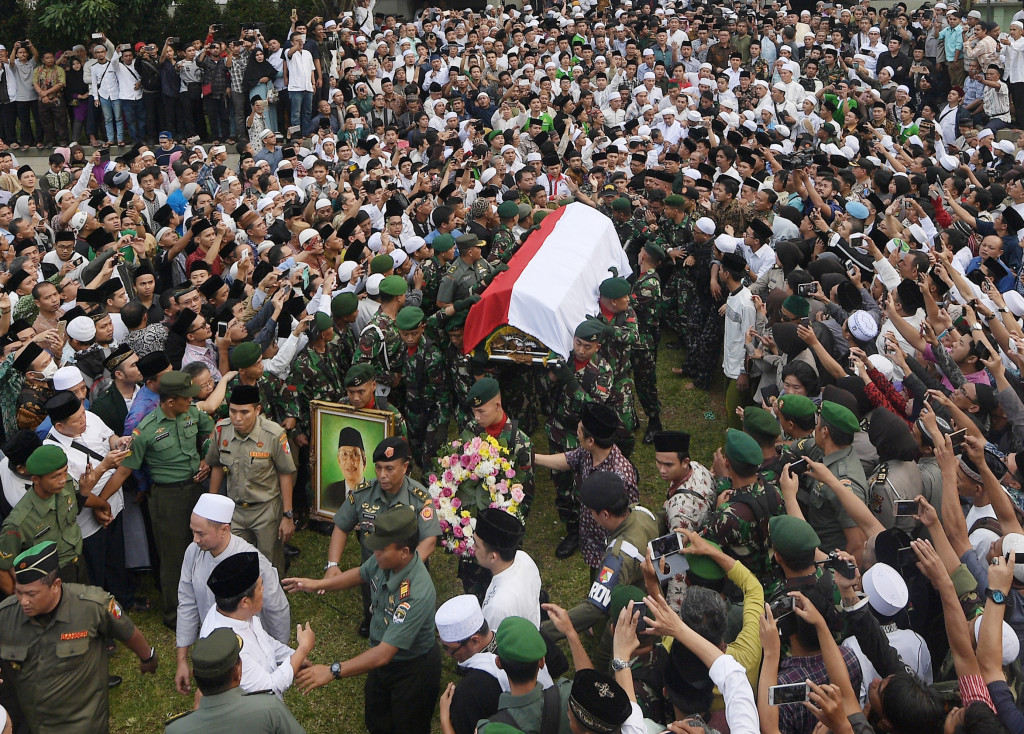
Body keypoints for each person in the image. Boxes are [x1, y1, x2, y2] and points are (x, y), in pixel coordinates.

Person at [282, 504, 442, 734]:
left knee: (408, 725)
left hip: (411, 670)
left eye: (382, 549)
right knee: (377, 720)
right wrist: (318, 583)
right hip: (380, 661)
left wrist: (332, 670)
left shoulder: (416, 594)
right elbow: (360, 573)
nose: (375, 552)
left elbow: (385, 653)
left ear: (405, 552)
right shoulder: (385, 559)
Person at [0, 541, 158, 734]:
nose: (23, 601)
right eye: (19, 592)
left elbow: (127, 631)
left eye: (31, 594)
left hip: (83, 724)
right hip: (35, 724)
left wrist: (147, 658)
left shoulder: (92, 606)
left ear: (56, 585)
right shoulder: (6, 614)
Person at [102, 370, 215, 628]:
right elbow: (124, 470)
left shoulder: (193, 413)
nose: (191, 400)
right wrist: (100, 501)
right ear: (170, 401)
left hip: (195, 491)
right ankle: (175, 615)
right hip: (167, 498)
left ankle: (205, 603)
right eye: (185, 398)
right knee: (173, 558)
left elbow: (210, 433)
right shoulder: (147, 430)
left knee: (203, 549)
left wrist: (205, 458)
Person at [174, 493, 291, 696]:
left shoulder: (251, 561)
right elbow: (187, 603)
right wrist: (182, 660)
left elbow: (277, 609)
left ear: (224, 530)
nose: (195, 539)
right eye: (193, 532)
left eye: (201, 534)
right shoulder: (193, 552)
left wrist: (279, 661)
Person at [322, 436, 440, 637]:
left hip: (409, 569)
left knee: (407, 617)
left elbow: (429, 539)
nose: (382, 475)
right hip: (373, 568)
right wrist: (333, 565)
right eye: (378, 468)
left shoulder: (419, 497)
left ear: (404, 467)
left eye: (389, 469)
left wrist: (408, 568)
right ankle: (372, 620)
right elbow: (341, 527)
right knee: (374, 605)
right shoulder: (362, 493)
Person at [206, 384, 297, 576]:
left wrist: (287, 515)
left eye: (244, 412)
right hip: (235, 510)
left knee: (269, 560)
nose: (237, 418)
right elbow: (216, 466)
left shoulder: (273, 435)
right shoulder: (222, 431)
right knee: (235, 558)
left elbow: (285, 473)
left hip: (266, 509)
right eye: (233, 411)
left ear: (257, 410)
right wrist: (211, 506)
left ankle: (273, 598)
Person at [199, 551, 315, 698]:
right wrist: (303, 649)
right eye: (260, 587)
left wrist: (292, 657)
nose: (264, 590)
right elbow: (269, 688)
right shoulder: (232, 647)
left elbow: (265, 642)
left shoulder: (235, 612)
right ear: (245, 602)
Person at [164, 628, 306, 733]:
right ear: (238, 672)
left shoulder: (175, 730)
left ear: (194, 675)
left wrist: (196, 712)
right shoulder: (269, 709)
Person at [474, 507, 542, 630]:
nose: (473, 548)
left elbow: (495, 645)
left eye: (477, 545)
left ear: (493, 557)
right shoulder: (524, 558)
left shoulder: (498, 607)